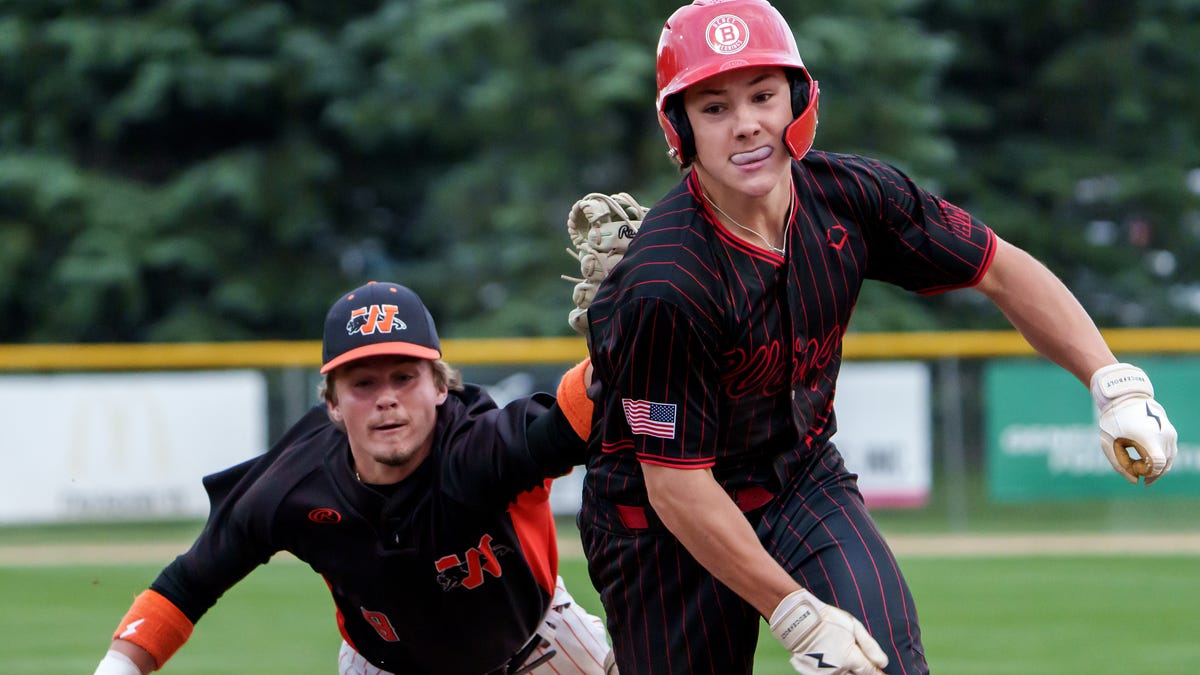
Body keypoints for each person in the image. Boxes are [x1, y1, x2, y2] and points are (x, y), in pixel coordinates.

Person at [570, 1, 1180, 674]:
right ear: (678, 126)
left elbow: (1001, 269)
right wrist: (796, 610)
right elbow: (677, 488)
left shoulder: (853, 195)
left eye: (764, 96)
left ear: (801, 100)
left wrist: (1112, 380)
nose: (746, 124)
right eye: (713, 108)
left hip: (796, 478)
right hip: (660, 526)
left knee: (885, 665)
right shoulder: (666, 281)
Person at [93, 281, 615, 675]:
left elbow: (564, 425)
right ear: (333, 404)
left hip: (540, 648)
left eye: (404, 377)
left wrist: (619, 345)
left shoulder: (478, 450)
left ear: (440, 386)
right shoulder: (292, 486)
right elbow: (188, 583)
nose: (386, 398)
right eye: (363, 382)